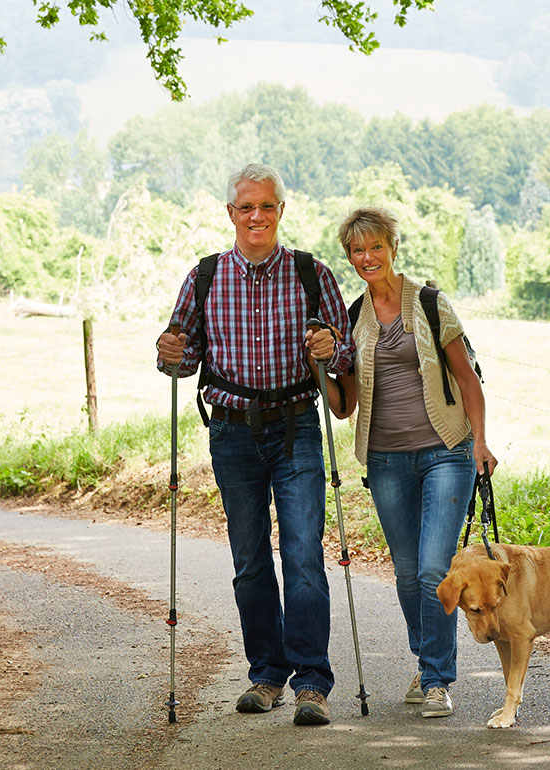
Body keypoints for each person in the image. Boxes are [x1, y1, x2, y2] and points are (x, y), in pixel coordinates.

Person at [155, 163, 354, 727]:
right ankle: (267, 675)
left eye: (267, 206)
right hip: (232, 431)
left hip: (296, 428)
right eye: (246, 207)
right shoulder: (205, 276)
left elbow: (345, 360)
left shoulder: (312, 274)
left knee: (304, 556)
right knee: (249, 561)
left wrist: (329, 346)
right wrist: (169, 351)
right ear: (231, 213)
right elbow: (182, 356)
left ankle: (312, 682)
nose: (257, 216)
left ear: (281, 211)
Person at [322, 206, 497, 720]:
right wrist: (321, 362)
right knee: (404, 574)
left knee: (431, 569)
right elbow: (344, 405)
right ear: (349, 257)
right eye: (357, 250)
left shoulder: (430, 303)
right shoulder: (353, 316)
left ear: (393, 248)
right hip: (384, 458)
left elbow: (467, 379)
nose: (367, 257)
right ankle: (427, 663)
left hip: (446, 450)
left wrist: (481, 442)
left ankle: (439, 679)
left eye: (376, 246)